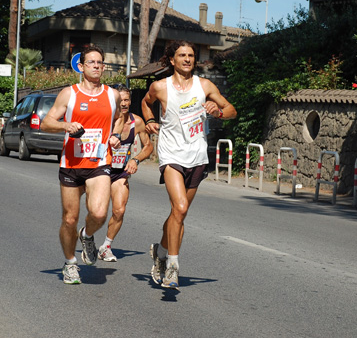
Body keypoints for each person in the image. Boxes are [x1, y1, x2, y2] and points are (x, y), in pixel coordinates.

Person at [141, 40, 237, 289]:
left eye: (191, 55)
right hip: (171, 155)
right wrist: (150, 120)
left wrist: (217, 112)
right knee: (181, 207)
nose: (187, 59)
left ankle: (160, 253)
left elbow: (232, 111)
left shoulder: (204, 86)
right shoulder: (160, 87)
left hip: (197, 156)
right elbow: (145, 102)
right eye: (182, 55)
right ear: (172, 60)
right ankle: (172, 267)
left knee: (178, 214)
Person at [41, 44, 122, 285]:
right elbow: (47, 122)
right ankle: (70, 264)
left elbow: (120, 120)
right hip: (72, 163)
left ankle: (87, 236)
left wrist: (116, 135)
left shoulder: (112, 95)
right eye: (92, 62)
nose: (97, 66)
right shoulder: (70, 93)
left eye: (100, 63)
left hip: (99, 162)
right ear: (82, 66)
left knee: (98, 213)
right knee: (69, 219)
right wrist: (66, 126)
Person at [97, 84, 154, 262]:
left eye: (127, 100)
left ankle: (106, 246)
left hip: (120, 172)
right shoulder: (104, 119)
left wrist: (135, 160)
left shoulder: (136, 122)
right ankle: (87, 234)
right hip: (100, 171)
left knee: (119, 210)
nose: (124, 103)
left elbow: (149, 146)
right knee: (97, 212)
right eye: (120, 100)